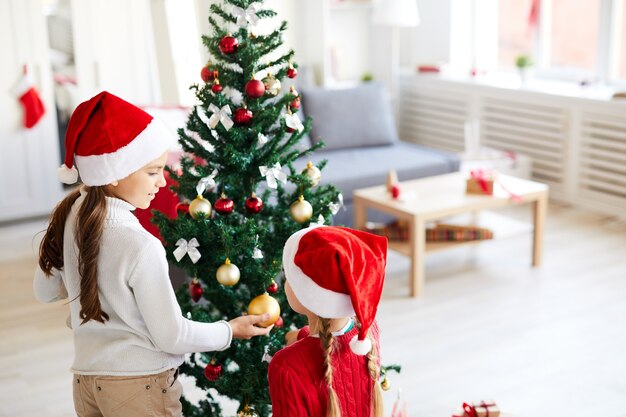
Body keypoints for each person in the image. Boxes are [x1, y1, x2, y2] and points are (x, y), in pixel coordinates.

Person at [34, 91, 271, 417]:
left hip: (86, 383)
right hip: (138, 388)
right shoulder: (139, 244)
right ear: (114, 172)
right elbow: (172, 336)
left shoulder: (70, 213)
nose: (163, 181)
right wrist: (230, 330)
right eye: (152, 171)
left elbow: (44, 291)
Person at [269, 225, 388, 417]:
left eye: (289, 277)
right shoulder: (368, 333)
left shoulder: (285, 366)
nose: (285, 283)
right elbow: (336, 351)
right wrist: (302, 335)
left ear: (308, 295)